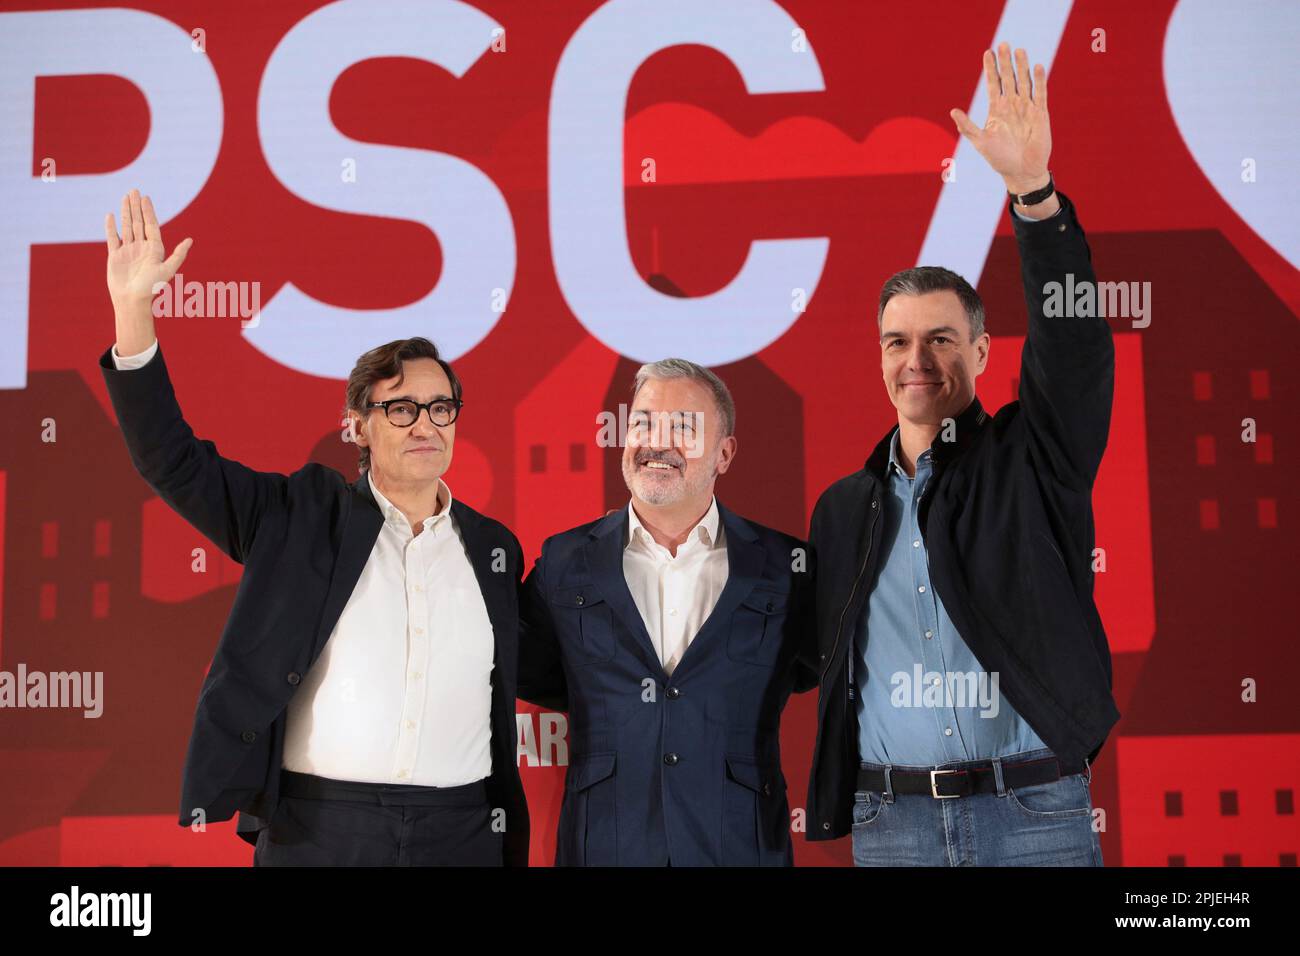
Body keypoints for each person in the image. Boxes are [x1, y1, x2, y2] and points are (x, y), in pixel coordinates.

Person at [99, 189, 528, 865]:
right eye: (401, 408)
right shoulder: (296, 517)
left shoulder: (496, 549)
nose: (425, 424)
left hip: (464, 830)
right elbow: (171, 460)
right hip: (322, 832)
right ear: (357, 426)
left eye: (441, 407)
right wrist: (133, 310)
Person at [804, 44, 1116, 866]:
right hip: (892, 823)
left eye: (942, 339)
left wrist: (1034, 197)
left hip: (1034, 815)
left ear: (980, 350)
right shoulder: (843, 510)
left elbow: (1076, 348)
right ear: (877, 357)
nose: (919, 361)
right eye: (898, 342)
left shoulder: (1033, 458)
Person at [518, 359, 816, 865]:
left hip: (741, 847)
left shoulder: (788, 567)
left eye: (683, 426)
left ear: (725, 453)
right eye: (642, 422)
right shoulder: (565, 560)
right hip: (607, 847)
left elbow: (811, 670)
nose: (657, 441)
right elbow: (537, 671)